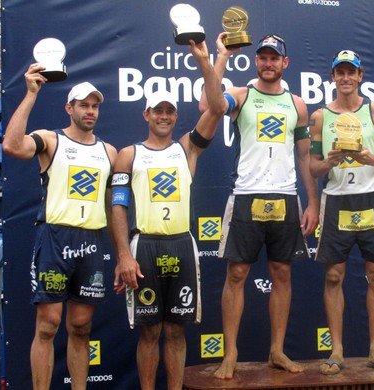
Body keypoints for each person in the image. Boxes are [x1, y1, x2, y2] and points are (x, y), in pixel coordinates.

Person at [109, 35, 231, 390]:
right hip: (143, 247)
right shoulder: (128, 154)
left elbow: (219, 108)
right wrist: (122, 256)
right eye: (157, 111)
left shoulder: (188, 149)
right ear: (146, 114)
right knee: (149, 333)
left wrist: (212, 59)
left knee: (176, 331)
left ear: (175, 115)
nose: (164, 116)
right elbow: (116, 207)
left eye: (169, 111)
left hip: (181, 245)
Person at [200, 34, 319, 379]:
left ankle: (277, 351)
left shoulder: (297, 104)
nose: (268, 63)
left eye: (274, 58)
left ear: (285, 63)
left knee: (282, 274)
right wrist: (221, 57)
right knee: (236, 275)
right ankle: (230, 353)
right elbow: (212, 105)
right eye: (263, 58)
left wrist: (312, 201)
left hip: (285, 196)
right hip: (247, 194)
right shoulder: (241, 94)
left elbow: (304, 156)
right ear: (256, 62)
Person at [2, 69, 116, 390]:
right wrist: (31, 94)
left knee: (81, 327)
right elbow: (11, 145)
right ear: (70, 108)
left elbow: (111, 205)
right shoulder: (51, 139)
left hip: (91, 241)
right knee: (48, 326)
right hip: (54, 237)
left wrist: (121, 249)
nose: (90, 111)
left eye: (95, 106)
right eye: (83, 105)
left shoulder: (108, 151)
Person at [309, 50, 374, 375]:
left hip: (371, 198)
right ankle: (337, 350)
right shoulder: (320, 116)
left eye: (352, 72)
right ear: (333, 77)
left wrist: (369, 158)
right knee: (334, 276)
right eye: (340, 73)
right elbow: (313, 167)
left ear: (360, 76)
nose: (346, 78)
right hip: (336, 200)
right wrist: (329, 162)